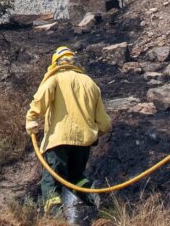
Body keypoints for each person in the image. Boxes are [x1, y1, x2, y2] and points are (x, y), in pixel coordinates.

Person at [26, 45, 113, 223]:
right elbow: (105, 123)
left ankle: (55, 218)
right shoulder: (91, 84)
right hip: (84, 142)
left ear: (55, 63)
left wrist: (31, 120)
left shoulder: (54, 79)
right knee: (76, 176)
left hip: (58, 141)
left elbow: (38, 102)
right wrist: (94, 134)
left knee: (51, 180)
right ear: (74, 62)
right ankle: (93, 195)